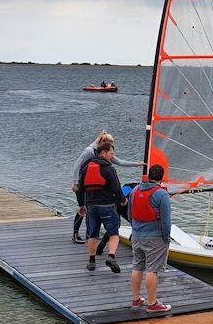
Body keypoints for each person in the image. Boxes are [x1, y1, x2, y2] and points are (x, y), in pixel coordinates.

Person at [71, 132, 143, 244]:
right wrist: (75, 183)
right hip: (83, 182)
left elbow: (119, 162)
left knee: (90, 208)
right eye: (108, 144)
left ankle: (89, 233)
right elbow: (77, 165)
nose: (110, 147)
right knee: (83, 206)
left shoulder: (106, 153)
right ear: (101, 143)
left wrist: (137, 164)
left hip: (95, 182)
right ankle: (75, 234)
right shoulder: (89, 151)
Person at [76, 141, 126, 272]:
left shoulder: (86, 168)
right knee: (114, 232)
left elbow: (80, 189)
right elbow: (116, 188)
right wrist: (123, 200)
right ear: (103, 153)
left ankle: (91, 262)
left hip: (91, 206)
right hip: (107, 206)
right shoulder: (109, 169)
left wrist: (81, 205)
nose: (112, 156)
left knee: (92, 234)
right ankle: (111, 257)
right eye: (111, 153)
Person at [129, 164, 172, 313]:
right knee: (152, 270)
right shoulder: (162, 194)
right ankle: (152, 304)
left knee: (137, 266)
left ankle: (136, 300)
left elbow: (130, 213)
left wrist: (135, 230)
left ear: (148, 175)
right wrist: (167, 238)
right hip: (155, 238)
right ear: (162, 177)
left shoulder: (135, 190)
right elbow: (166, 221)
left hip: (137, 235)